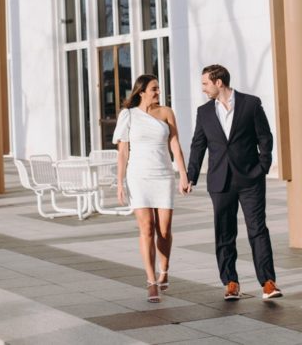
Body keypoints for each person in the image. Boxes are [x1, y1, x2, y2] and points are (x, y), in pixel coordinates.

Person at [183, 64, 282, 301]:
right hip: (220, 181)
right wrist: (191, 176)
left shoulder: (250, 104)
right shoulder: (204, 112)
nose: (203, 89)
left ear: (219, 83)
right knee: (224, 232)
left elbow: (264, 137)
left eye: (206, 83)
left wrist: (262, 167)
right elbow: (198, 145)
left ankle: (268, 282)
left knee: (258, 230)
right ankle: (230, 282)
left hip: (250, 179)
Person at [113, 74, 189, 303]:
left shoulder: (166, 112)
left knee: (163, 230)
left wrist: (183, 174)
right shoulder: (128, 115)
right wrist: (120, 182)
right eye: (154, 88)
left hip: (163, 175)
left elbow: (175, 144)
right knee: (146, 227)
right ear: (141, 91)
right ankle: (150, 280)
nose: (157, 92)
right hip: (138, 177)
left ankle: (164, 270)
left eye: (158, 88)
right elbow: (123, 152)